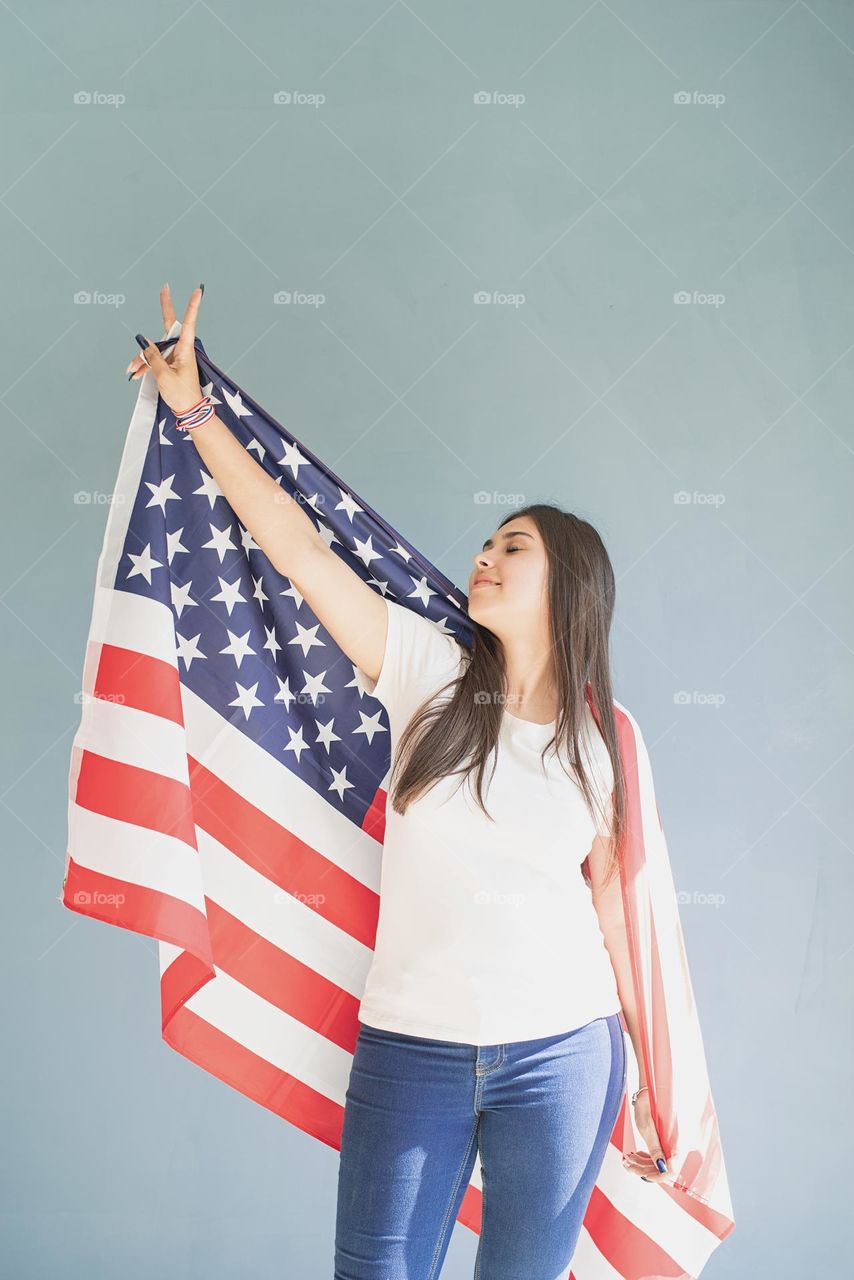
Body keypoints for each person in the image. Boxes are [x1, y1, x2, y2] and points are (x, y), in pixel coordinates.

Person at [127, 286, 671, 1280]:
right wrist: (192, 406)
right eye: (486, 539)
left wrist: (649, 1086)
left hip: (562, 1058)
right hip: (409, 1051)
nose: (484, 554)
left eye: (514, 546)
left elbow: (620, 919)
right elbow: (294, 546)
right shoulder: (423, 670)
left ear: (570, 588)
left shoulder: (603, 744)